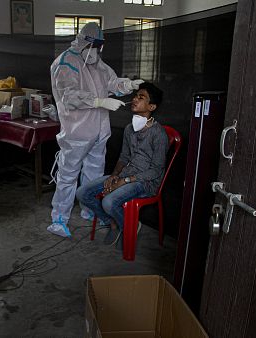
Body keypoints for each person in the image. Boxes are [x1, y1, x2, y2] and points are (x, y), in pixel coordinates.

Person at [47, 22, 144, 237]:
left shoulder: (96, 62)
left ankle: (89, 210)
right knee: (68, 176)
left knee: (94, 174)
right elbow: (69, 96)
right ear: (83, 41)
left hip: (99, 131)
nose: (97, 52)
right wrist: (99, 101)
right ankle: (59, 219)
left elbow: (112, 82)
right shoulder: (65, 63)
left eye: (100, 47)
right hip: (77, 133)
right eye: (94, 46)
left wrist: (127, 85)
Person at [76, 82, 168, 247]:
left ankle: (129, 227)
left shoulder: (158, 134)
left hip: (145, 182)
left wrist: (124, 181)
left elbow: (156, 170)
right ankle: (114, 222)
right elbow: (124, 157)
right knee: (83, 193)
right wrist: (114, 176)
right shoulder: (129, 129)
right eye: (135, 96)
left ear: (152, 106)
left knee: (109, 202)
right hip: (126, 175)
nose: (135, 99)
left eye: (141, 98)